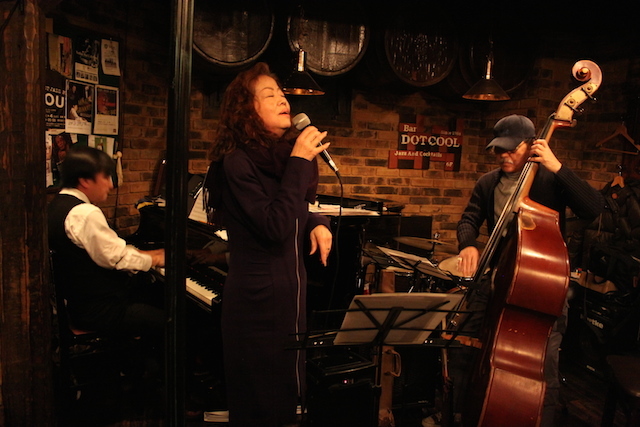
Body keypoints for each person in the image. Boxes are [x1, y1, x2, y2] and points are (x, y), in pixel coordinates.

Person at [203, 62, 333, 426]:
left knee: (285, 399)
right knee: (261, 404)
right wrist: (300, 160)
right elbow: (275, 225)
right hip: (257, 303)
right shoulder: (237, 162)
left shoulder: (281, 157)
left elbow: (295, 207)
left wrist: (317, 222)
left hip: (289, 295)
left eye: (281, 93)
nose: (282, 100)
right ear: (247, 110)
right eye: (269, 94)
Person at [454, 114, 605, 426]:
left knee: (541, 369)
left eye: (512, 149)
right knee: (468, 351)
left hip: (542, 290)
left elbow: (593, 208)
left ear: (532, 145)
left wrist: (557, 166)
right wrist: (467, 244)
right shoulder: (488, 183)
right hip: (497, 281)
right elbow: (469, 218)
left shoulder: (550, 180)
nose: (504, 156)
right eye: (499, 150)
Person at [48, 145, 165, 342]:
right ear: (85, 180)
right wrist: (155, 258)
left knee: (154, 294)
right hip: (100, 311)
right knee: (173, 319)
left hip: (79, 305)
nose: (111, 184)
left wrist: (145, 255)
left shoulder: (57, 205)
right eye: (106, 176)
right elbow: (117, 259)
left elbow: (106, 252)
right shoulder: (84, 213)